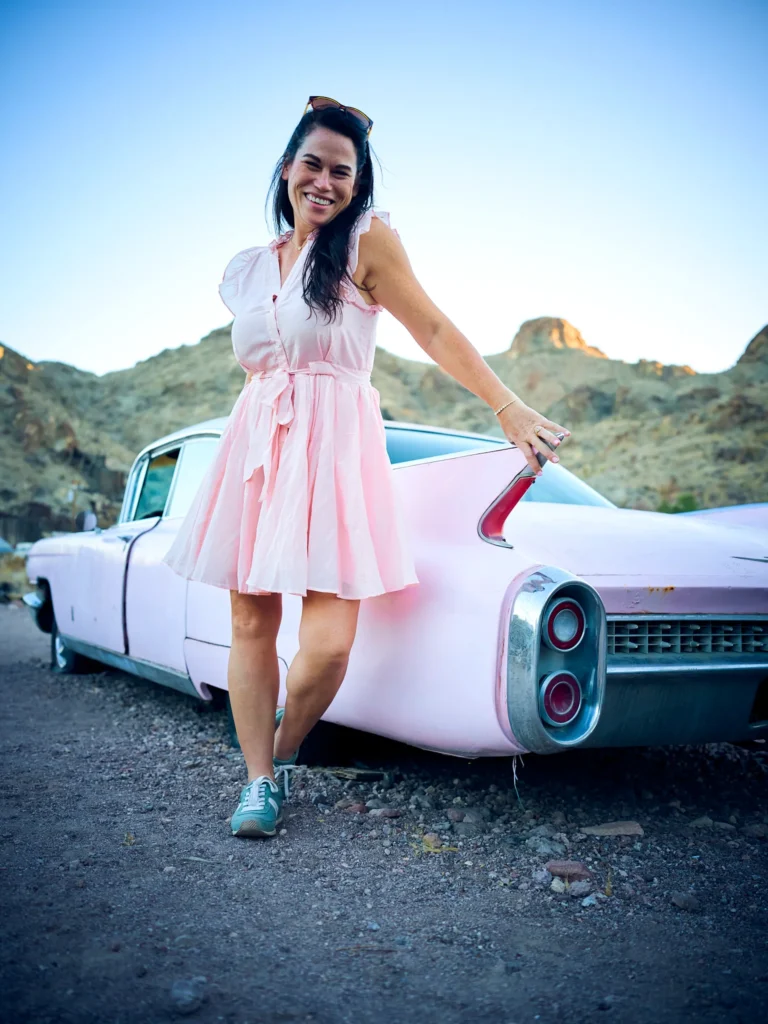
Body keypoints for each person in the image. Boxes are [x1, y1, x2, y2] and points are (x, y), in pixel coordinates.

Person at [162, 95, 570, 839]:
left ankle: (279, 748)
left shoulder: (366, 243)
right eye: (312, 164)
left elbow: (435, 327)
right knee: (251, 618)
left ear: (358, 183)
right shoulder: (254, 268)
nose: (324, 181)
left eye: (341, 172)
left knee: (328, 645)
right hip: (258, 445)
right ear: (286, 169)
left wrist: (506, 407)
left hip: (336, 450)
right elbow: (265, 364)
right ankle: (258, 783)